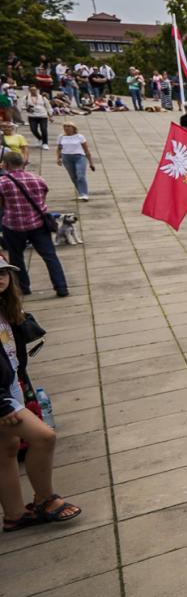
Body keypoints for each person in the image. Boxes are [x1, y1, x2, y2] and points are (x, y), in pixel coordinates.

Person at [0, 260, 79, 532]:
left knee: (7, 450)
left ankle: (14, 514)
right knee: (44, 437)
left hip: (11, 386)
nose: (0, 278)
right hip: (1, 398)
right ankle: (45, 498)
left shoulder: (6, 309)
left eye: (3, 273)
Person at [0, 151, 68, 297]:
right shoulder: (38, 179)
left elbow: (2, 205)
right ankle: (61, 287)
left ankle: (24, 288)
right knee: (50, 256)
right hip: (38, 224)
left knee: (16, 256)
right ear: (23, 163)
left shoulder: (2, 182)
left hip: (14, 225)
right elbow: (42, 198)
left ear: (6, 164)